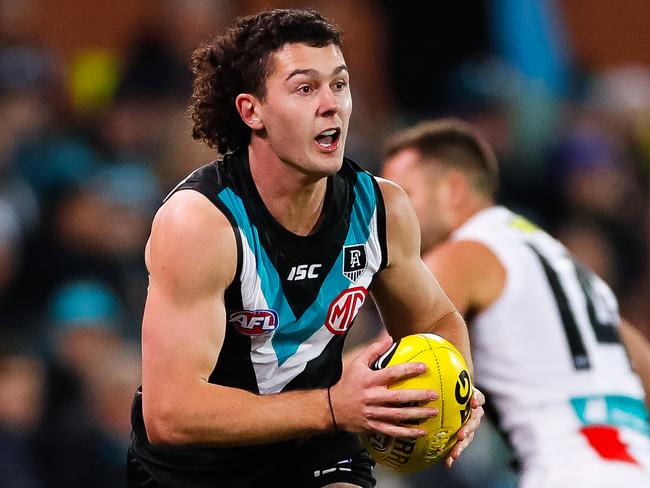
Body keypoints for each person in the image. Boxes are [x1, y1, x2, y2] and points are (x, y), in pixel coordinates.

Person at [127, 10, 484, 488]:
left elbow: (437, 321)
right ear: (252, 111)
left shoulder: (381, 208)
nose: (331, 105)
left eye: (339, 84)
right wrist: (334, 405)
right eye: (305, 88)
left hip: (317, 446)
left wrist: (455, 389)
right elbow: (170, 416)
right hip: (198, 468)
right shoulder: (201, 223)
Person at [381, 118, 650, 488]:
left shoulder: (463, 253)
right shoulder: (571, 268)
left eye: (404, 195)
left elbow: (390, 367)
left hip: (563, 470)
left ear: (453, 190)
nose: (391, 215)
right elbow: (643, 367)